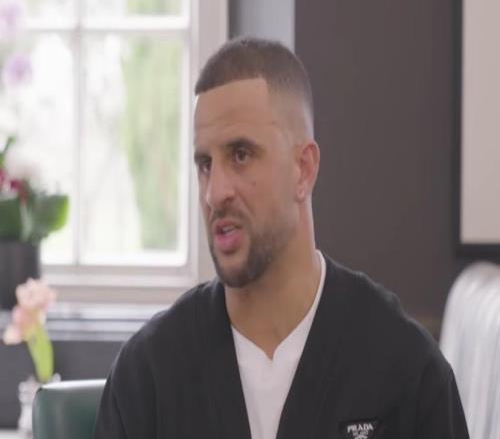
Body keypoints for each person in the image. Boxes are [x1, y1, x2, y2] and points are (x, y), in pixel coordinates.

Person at [94, 37, 469, 439]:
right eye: (205, 164)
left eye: (240, 155)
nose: (215, 192)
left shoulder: (405, 370)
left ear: (303, 169)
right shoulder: (148, 377)